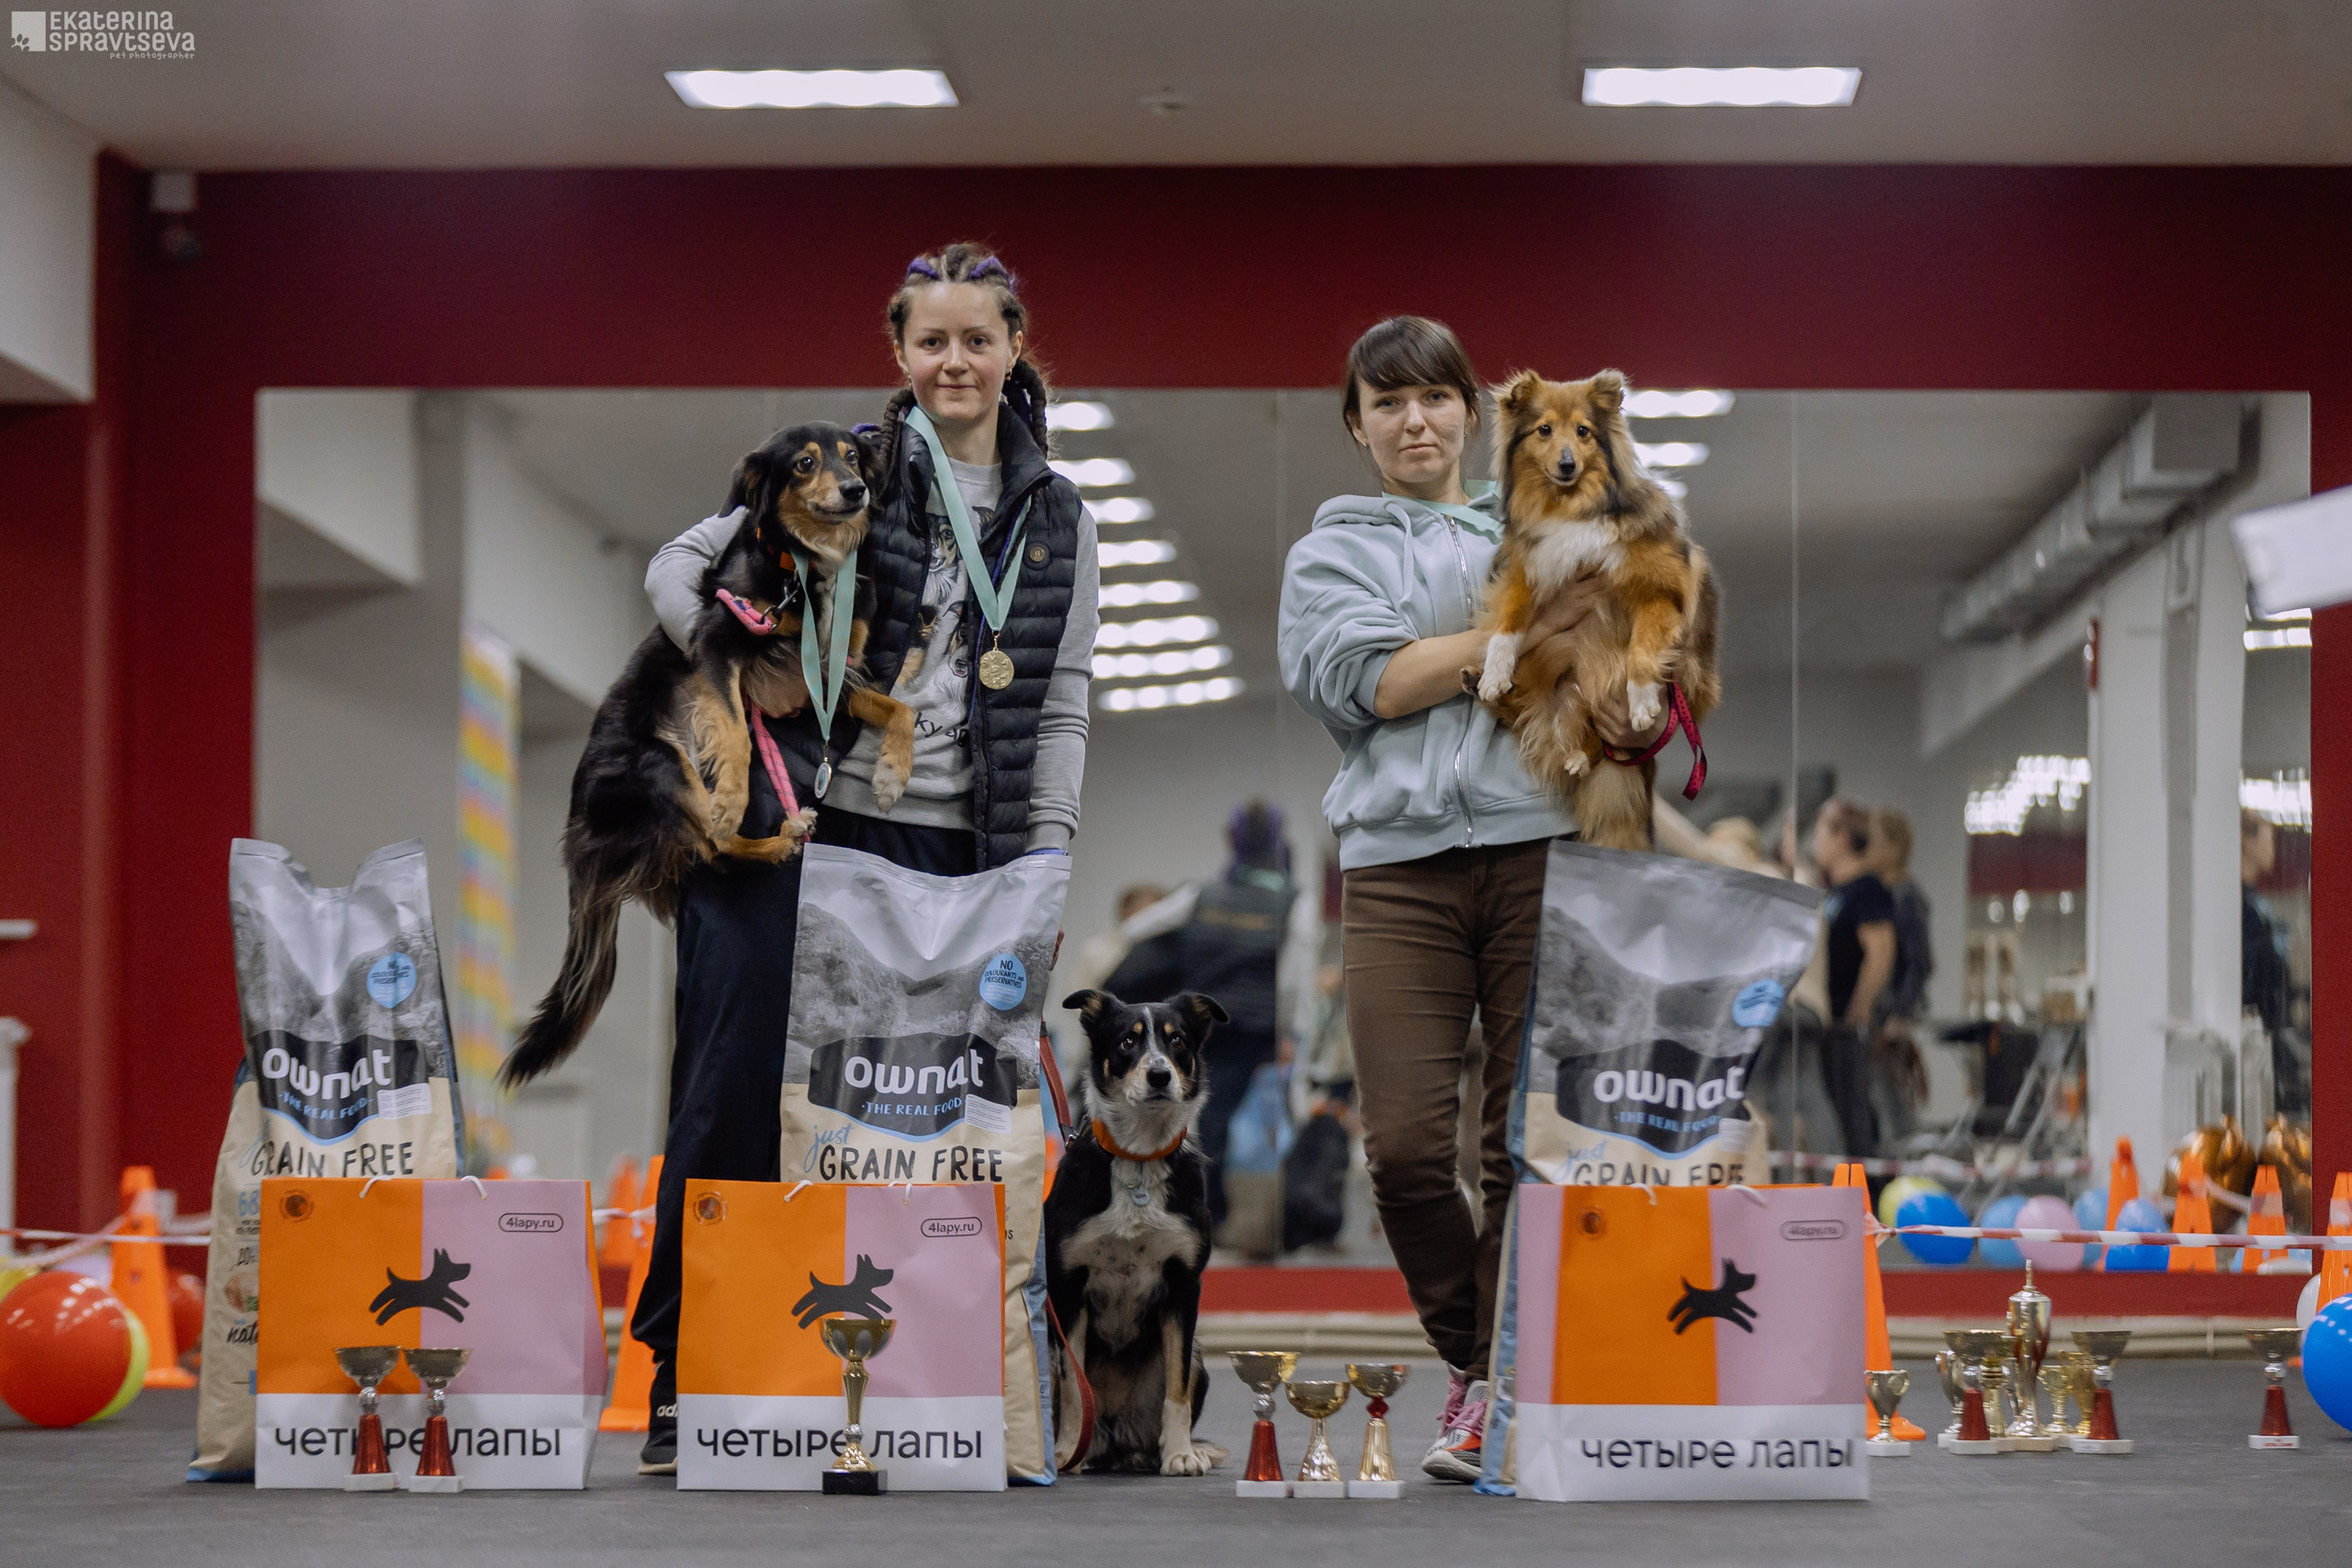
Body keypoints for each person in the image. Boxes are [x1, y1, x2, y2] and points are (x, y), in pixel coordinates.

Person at [627, 243, 1099, 1474]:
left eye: (978, 338)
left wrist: (1042, 865)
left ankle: (897, 1377)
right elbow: (676, 567)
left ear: (1014, 345)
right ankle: (689, 1371)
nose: (955, 361)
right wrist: (744, 663)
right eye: (931, 341)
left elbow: (1062, 704)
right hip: (795, 825)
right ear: (900, 351)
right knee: (733, 1090)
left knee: (912, 1124)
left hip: (958, 849)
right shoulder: (846, 465)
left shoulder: (1060, 518)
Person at [1277, 316, 1664, 1483]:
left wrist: (1610, 673)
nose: (1415, 421)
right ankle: (1477, 1359)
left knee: (1520, 1148)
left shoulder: (1550, 510)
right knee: (1401, 1150)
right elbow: (1372, 681)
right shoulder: (1328, 555)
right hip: (1397, 866)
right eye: (1387, 403)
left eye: (1435, 398)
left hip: (1545, 846)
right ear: (1357, 426)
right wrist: (1515, 638)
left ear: (1469, 412)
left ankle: (1495, 1391)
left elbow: (1621, 641)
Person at [1102, 801, 1317, 1230]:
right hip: (1259, 1030)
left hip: (1203, 1026)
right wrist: (1292, 1031)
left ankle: (1206, 1210)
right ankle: (1222, 1213)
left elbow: (1134, 930)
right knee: (1259, 1120)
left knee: (1202, 1117)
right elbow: (1296, 978)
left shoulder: (1201, 895)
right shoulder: (1295, 901)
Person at [1812, 798, 1895, 1160]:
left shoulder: (1867, 890)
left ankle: (1865, 1189)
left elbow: (1880, 954)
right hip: (1831, 1021)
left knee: (1853, 1115)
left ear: (1841, 837)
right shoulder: (1835, 894)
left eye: (1820, 831)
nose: (1815, 841)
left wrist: (1859, 1008)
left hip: (1849, 1025)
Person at [1867, 807, 1931, 1145]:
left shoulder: (1906, 897)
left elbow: (1920, 962)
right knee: (1878, 1097)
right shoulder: (1881, 894)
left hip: (1892, 1014)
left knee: (1894, 1099)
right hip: (1878, 1011)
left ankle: (1906, 1161)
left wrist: (1901, 1014)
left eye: (1874, 841)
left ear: (1893, 848)